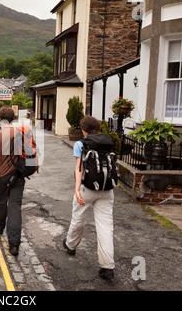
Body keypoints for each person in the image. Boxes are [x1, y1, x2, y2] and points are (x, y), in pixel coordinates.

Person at [63, 115, 116, 280]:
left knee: (78, 218)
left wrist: (77, 189)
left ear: (83, 129)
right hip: (107, 189)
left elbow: (79, 167)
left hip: (88, 188)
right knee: (106, 227)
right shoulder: (108, 142)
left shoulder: (81, 144)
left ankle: (70, 245)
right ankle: (107, 267)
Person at [0, 106, 25, 256]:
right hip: (19, 175)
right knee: (15, 206)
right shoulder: (21, 133)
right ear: (13, 118)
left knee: (1, 202)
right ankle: (14, 244)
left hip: (2, 175)